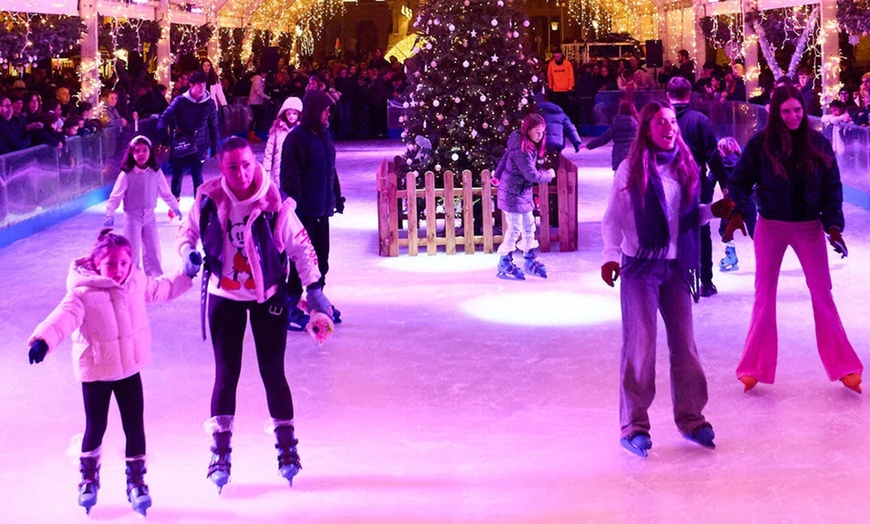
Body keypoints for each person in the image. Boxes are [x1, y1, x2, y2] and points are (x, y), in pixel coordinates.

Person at [175, 137, 333, 491]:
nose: (241, 173)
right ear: (221, 165)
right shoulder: (207, 197)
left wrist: (314, 288)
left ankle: (287, 446)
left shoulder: (273, 202)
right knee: (225, 375)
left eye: (246, 164)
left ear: (254, 161)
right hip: (224, 297)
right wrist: (187, 253)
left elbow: (301, 246)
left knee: (273, 372)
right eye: (232, 166)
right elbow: (187, 232)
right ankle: (220, 450)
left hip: (269, 298)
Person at [27, 229, 198, 515]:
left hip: (129, 369)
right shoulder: (82, 292)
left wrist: (187, 274)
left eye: (123, 263)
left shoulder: (135, 281)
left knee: (135, 427)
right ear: (96, 263)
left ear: (130, 262)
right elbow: (63, 318)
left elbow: (163, 289)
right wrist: (43, 341)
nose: (118, 270)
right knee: (96, 427)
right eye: (110, 264)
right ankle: (89, 478)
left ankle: (137, 480)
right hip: (96, 372)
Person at [601, 100, 734, 457]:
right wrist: (611, 256)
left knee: (685, 347)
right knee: (640, 346)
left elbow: (684, 218)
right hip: (640, 268)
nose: (669, 127)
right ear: (647, 128)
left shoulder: (685, 167)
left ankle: (691, 417)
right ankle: (634, 425)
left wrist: (712, 211)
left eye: (672, 121)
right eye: (660, 122)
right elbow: (612, 219)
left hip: (676, 269)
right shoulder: (631, 170)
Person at [723, 85, 864, 394]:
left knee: (822, 292)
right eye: (786, 111)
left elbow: (832, 188)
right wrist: (736, 213)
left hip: (809, 227)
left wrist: (834, 227)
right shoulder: (761, 144)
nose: (792, 116)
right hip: (771, 226)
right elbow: (740, 182)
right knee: (764, 294)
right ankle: (753, 367)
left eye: (797, 110)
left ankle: (845, 367)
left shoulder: (818, 143)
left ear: (803, 111)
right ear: (776, 112)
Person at [280, 89, 344, 331]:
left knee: (321, 260)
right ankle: (289, 304)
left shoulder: (324, 135)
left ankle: (317, 300)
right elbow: (290, 179)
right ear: (315, 111)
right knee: (301, 261)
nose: (328, 114)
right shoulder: (297, 139)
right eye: (325, 110)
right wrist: (291, 209)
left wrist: (336, 196)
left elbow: (330, 169)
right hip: (303, 212)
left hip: (322, 208)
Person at [666, 76, 727, 298]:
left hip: (665, 184)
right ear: (689, 94)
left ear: (667, 96)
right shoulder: (700, 120)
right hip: (696, 182)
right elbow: (712, 154)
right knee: (701, 228)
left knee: (668, 227)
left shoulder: (662, 119)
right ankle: (706, 281)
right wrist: (724, 183)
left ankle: (671, 278)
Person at [491, 113, 555, 280]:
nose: (540, 136)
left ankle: (529, 259)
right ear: (527, 131)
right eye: (537, 133)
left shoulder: (522, 144)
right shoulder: (522, 150)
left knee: (529, 225)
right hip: (513, 194)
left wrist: (497, 175)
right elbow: (531, 175)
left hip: (521, 192)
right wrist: (549, 174)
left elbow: (505, 158)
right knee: (515, 228)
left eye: (542, 133)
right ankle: (504, 262)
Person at [105, 136, 181, 276]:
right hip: (132, 217)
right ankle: (132, 278)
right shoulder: (126, 174)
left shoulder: (155, 171)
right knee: (132, 251)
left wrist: (174, 206)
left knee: (153, 250)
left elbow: (165, 191)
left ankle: (154, 278)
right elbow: (115, 196)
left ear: (150, 152)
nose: (141, 154)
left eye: (144, 150)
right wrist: (110, 213)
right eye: (137, 151)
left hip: (150, 216)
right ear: (131, 153)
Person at [157, 70, 219, 200]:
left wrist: (215, 148)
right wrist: (164, 137)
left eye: (204, 85)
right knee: (178, 175)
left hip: (199, 146)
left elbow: (213, 126)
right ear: (191, 85)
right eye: (199, 85)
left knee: (197, 175)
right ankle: (175, 204)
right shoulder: (180, 101)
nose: (202, 88)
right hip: (181, 145)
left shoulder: (209, 103)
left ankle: (199, 205)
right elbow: (164, 118)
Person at [715, 137, 756, 272]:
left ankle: (731, 257)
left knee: (725, 230)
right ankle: (766, 256)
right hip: (747, 201)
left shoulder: (719, 166)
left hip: (729, 204)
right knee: (754, 230)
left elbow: (709, 183)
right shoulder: (744, 162)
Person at [581, 100, 639, 171]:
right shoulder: (637, 125)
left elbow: (604, 138)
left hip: (619, 155)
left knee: (619, 178)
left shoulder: (616, 124)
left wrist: (589, 146)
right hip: (633, 154)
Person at [263, 97, 303, 189]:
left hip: (297, 172)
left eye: (294, 113)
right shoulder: (277, 129)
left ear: (299, 114)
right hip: (280, 172)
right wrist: (267, 170)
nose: (291, 116)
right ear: (284, 113)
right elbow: (269, 151)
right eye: (288, 113)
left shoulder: (302, 131)